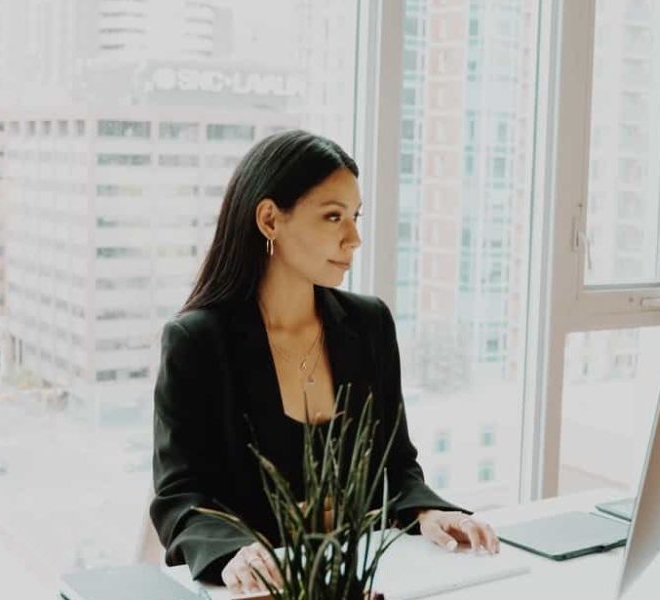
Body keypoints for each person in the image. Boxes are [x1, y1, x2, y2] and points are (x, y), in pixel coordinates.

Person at [149, 130, 500, 596]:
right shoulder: (198, 341)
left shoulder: (368, 323)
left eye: (355, 217)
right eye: (333, 216)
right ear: (270, 219)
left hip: (362, 579)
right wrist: (233, 551)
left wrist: (426, 511)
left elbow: (396, 462)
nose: (354, 238)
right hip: (262, 588)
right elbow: (180, 494)